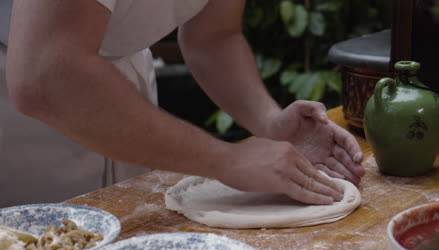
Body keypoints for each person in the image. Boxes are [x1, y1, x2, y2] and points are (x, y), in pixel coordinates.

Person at [2, 0, 365, 207]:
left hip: (118, 87)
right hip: (19, 121)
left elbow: (213, 36)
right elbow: (45, 75)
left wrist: (271, 123)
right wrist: (228, 160)